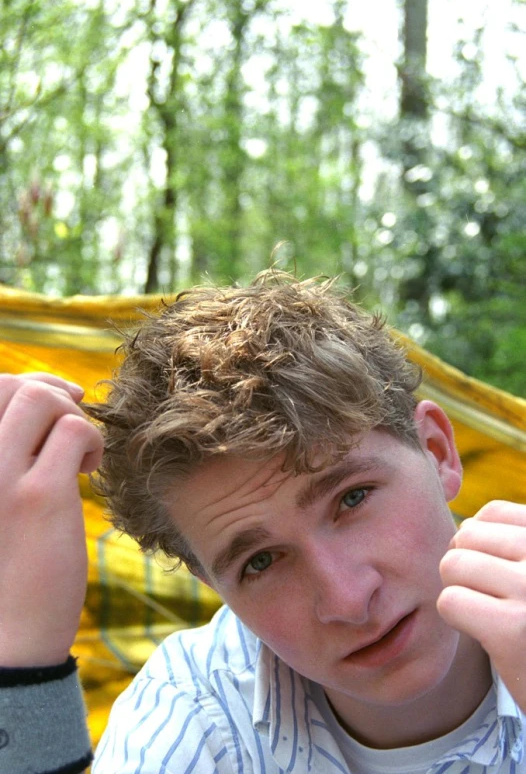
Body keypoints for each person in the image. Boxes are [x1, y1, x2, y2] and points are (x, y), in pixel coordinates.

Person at [0, 272, 525, 774]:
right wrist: (23, 665)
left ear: (437, 452)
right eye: (261, 562)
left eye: (353, 498)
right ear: (213, 584)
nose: (347, 599)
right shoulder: (198, 710)